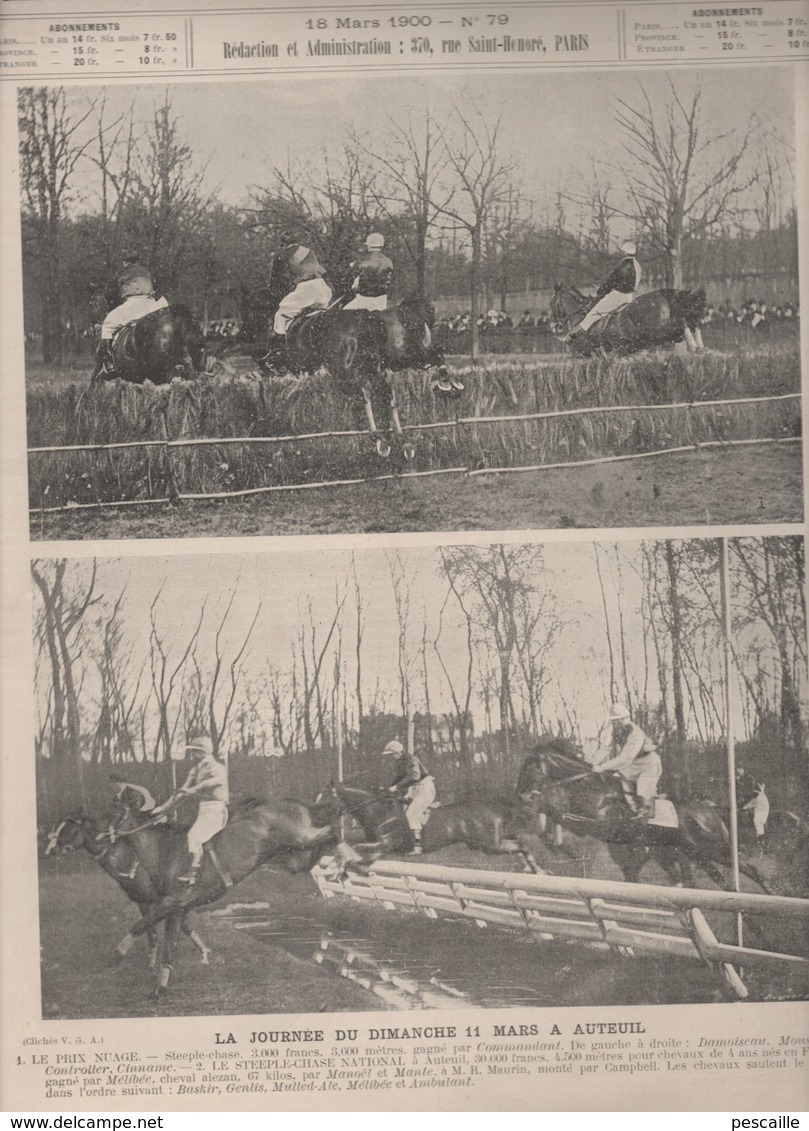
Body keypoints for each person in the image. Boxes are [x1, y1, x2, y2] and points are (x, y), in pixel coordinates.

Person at [151, 735, 229, 885]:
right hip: (203, 810)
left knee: (194, 837)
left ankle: (194, 875)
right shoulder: (195, 770)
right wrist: (162, 808)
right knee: (187, 836)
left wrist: (195, 788)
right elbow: (182, 791)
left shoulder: (217, 767)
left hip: (216, 809)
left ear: (204, 751)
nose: (193, 755)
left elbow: (217, 781)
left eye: (195, 751)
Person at [95, 250, 169, 376]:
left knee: (107, 326)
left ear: (125, 262)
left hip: (133, 305)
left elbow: (110, 294)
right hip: (151, 304)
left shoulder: (122, 274)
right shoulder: (146, 272)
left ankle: (109, 364)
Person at [594, 702, 661, 820]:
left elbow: (625, 758)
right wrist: (593, 763)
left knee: (643, 790)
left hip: (648, 763)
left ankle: (646, 814)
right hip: (633, 764)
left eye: (617, 720)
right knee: (622, 784)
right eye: (613, 720)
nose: (614, 723)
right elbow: (606, 748)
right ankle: (633, 811)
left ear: (624, 719)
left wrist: (603, 767)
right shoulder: (614, 731)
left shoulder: (636, 733)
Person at [567, 240, 641, 340]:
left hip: (617, 296)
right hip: (630, 297)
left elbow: (612, 281)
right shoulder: (638, 265)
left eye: (622, 251)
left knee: (593, 313)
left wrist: (601, 290)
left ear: (624, 252)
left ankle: (573, 336)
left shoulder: (623, 265)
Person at [382, 739, 435, 853]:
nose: (391, 757)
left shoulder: (411, 759)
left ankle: (417, 846)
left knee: (411, 814)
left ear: (397, 752)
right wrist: (389, 788)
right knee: (402, 810)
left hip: (424, 788)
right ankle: (405, 842)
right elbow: (399, 779)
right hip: (415, 789)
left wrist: (396, 787)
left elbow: (414, 776)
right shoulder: (401, 762)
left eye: (392, 755)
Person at [272, 245, 333, 336]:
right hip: (322, 287)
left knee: (281, 313)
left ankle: (279, 342)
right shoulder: (307, 252)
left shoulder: (291, 254)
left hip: (307, 290)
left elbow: (297, 271)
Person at [342, 233, 394, 311]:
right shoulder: (389, 261)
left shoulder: (362, 260)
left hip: (363, 300)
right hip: (381, 301)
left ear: (368, 245)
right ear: (381, 245)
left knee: (343, 313)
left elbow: (348, 280)